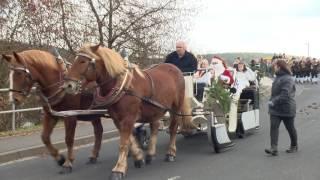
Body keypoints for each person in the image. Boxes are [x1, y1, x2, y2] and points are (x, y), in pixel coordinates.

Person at [265, 59, 297, 156]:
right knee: (274, 127)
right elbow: (275, 92)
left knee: (290, 128)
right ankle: (274, 148)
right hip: (275, 109)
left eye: (274, 66)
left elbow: (285, 94)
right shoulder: (278, 77)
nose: (272, 67)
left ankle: (294, 145)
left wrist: (273, 101)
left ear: (279, 66)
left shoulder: (288, 78)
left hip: (287, 108)